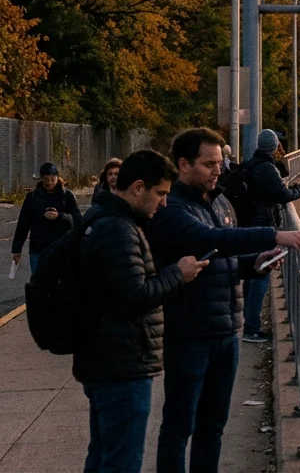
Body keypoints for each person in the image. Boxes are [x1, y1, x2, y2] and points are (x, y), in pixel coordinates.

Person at [147, 128, 300, 473]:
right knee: (180, 425)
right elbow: (211, 239)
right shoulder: (172, 208)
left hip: (227, 332)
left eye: (219, 162)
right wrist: (274, 233)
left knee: (213, 426)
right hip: (189, 334)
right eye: (208, 164)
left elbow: (218, 259)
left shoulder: (220, 201)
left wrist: (252, 265)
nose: (218, 170)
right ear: (183, 165)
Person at [75, 150, 207, 473]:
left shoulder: (102, 219)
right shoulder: (119, 230)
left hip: (106, 362)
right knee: (121, 462)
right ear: (137, 188)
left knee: (104, 455)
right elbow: (136, 294)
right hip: (123, 365)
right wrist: (179, 273)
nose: (164, 203)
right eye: (160, 194)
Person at [240, 129, 300, 342]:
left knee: (252, 272)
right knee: (261, 275)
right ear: (275, 146)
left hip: (248, 223)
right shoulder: (267, 168)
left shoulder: (250, 164)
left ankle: (249, 322)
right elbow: (283, 195)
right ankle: (251, 328)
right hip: (263, 225)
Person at [11, 162, 82, 274]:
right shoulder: (33, 197)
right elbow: (23, 224)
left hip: (61, 247)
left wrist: (60, 216)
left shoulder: (67, 196)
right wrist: (16, 249)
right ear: (41, 179)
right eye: (46, 179)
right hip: (38, 248)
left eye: (52, 179)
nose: (49, 182)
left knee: (60, 285)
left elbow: (78, 220)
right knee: (38, 284)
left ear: (57, 178)